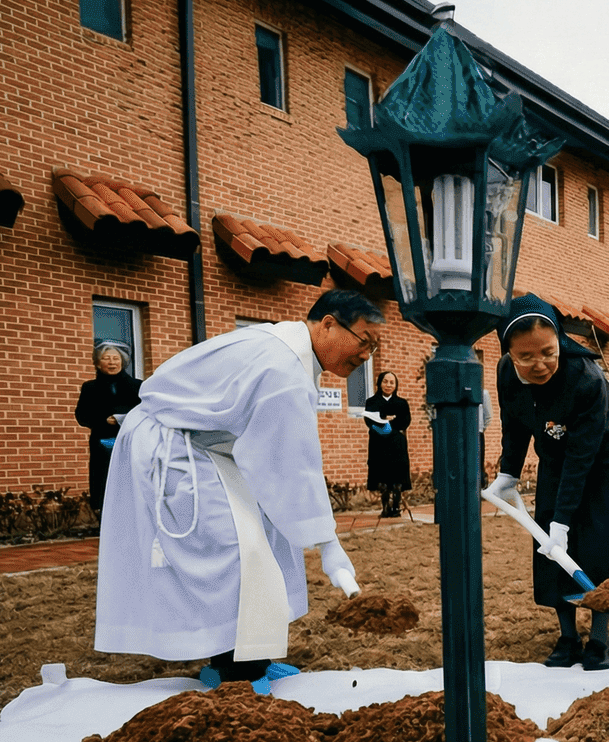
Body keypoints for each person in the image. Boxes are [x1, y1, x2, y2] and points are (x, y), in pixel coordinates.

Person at [94, 289, 377, 691]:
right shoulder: (282, 370)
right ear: (328, 324)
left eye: (374, 347)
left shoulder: (287, 352)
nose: (366, 356)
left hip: (208, 448)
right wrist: (329, 545)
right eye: (363, 342)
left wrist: (321, 538)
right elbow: (291, 466)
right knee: (232, 549)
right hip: (174, 444)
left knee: (262, 539)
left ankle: (252, 658)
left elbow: (276, 457)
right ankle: (236, 675)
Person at [484, 294, 609, 671]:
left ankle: (599, 639)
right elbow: (516, 424)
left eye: (548, 352)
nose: (539, 365)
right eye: (526, 357)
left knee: (598, 545)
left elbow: (583, 455)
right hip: (557, 458)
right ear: (508, 353)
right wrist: (509, 472)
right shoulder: (507, 373)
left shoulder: (584, 377)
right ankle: (568, 636)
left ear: (558, 340)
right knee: (551, 551)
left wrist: (563, 521)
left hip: (608, 464)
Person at [75, 343, 141, 515]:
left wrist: (125, 419)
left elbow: (146, 412)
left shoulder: (137, 386)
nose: (112, 362)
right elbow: (82, 416)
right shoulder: (90, 388)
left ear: (123, 361)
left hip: (131, 442)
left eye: (116, 358)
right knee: (105, 484)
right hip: (103, 444)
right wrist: (103, 421)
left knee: (132, 483)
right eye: (106, 358)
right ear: (97, 363)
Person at [364, 370, 412, 518]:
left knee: (397, 478)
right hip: (379, 444)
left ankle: (396, 508)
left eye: (392, 382)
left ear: (396, 385)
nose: (388, 385)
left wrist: (384, 420)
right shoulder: (371, 402)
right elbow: (370, 422)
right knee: (382, 478)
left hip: (397, 445)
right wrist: (389, 421)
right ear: (379, 383)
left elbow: (404, 421)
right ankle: (385, 508)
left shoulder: (402, 403)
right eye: (385, 381)